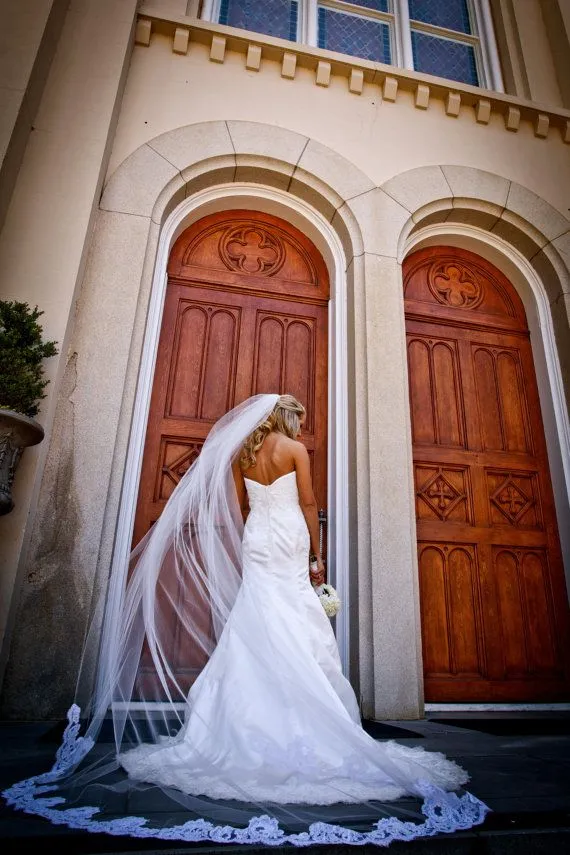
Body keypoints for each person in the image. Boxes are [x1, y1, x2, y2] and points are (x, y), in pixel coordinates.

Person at [3, 393, 489, 846]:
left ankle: (234, 719)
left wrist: (257, 526)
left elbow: (239, 505)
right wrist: (317, 554)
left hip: (258, 536)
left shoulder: (243, 456)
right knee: (297, 615)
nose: (299, 426)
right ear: (288, 419)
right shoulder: (296, 449)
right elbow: (308, 502)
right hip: (289, 536)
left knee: (256, 612)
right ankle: (307, 711)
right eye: (297, 419)